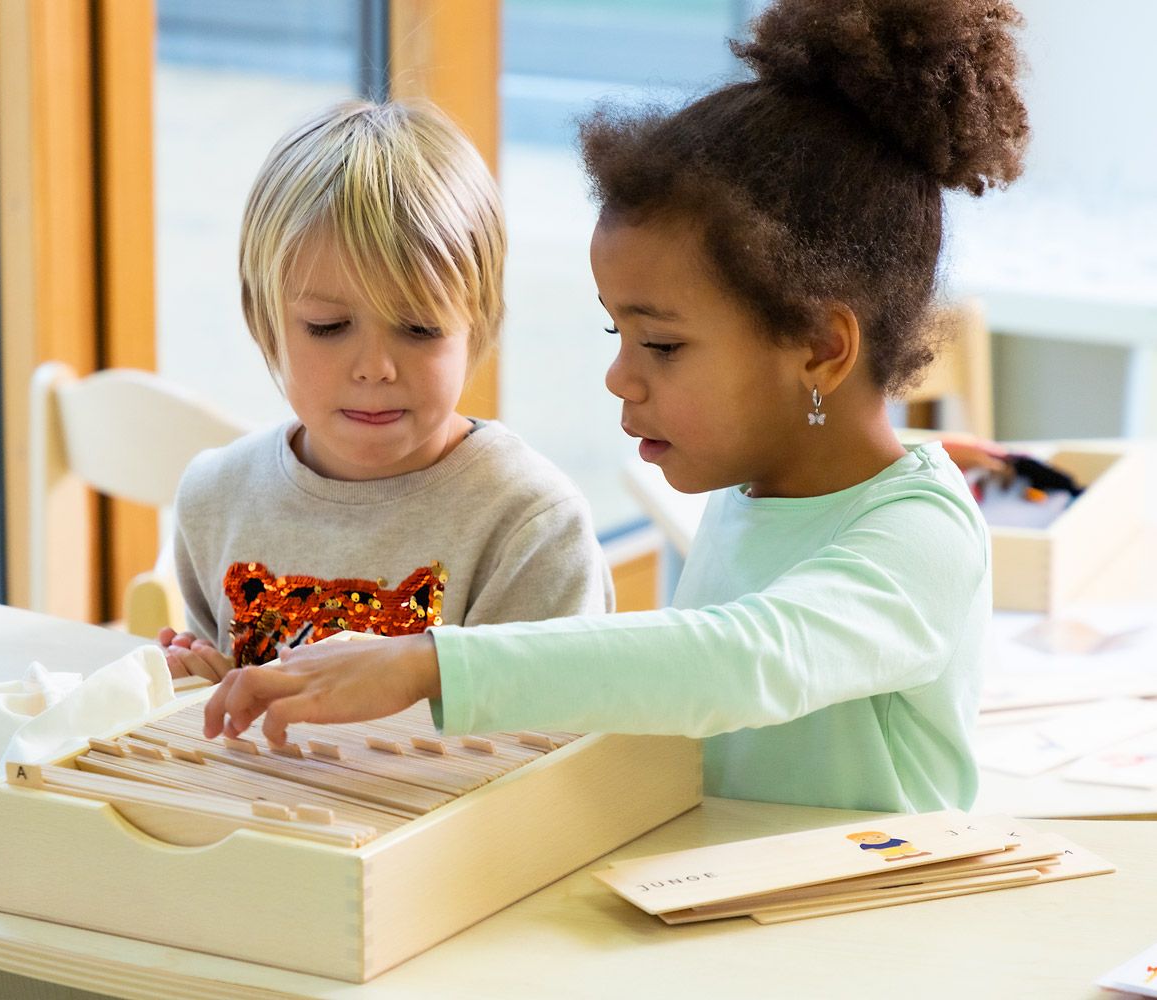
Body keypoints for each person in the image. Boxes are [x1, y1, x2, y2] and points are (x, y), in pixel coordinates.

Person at [199, 0, 1030, 814]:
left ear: (818, 348)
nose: (618, 379)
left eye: (661, 346)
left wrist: (430, 664)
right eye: (616, 332)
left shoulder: (923, 534)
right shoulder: (759, 492)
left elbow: (743, 662)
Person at [162, 100, 613, 680]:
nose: (375, 368)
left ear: (480, 325)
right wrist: (202, 691)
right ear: (263, 319)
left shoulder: (532, 528)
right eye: (328, 326)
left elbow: (543, 754)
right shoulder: (214, 498)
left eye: (420, 329)